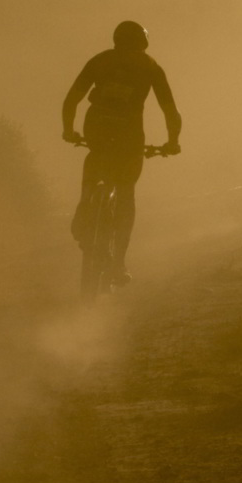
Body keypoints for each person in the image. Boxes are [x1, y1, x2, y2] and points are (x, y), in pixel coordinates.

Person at [62, 20, 181, 291]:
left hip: (96, 127)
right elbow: (170, 110)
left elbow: (72, 99)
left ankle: (85, 208)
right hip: (129, 135)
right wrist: (172, 141)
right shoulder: (150, 66)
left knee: (94, 158)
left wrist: (68, 130)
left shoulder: (99, 61)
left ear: (116, 39)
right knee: (126, 194)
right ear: (143, 43)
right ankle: (118, 264)